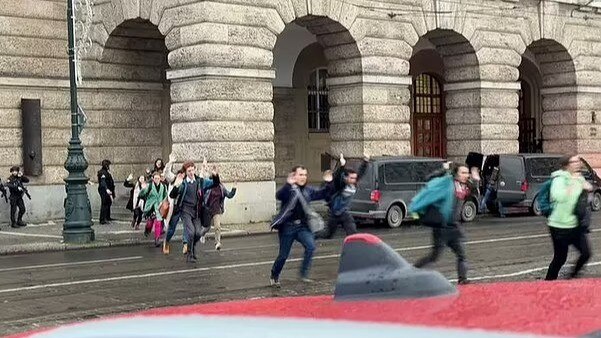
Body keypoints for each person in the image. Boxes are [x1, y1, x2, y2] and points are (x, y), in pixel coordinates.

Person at [409, 163, 476, 285]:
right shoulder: (446, 182)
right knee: (434, 257)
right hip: (442, 228)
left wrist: (475, 180)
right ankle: (411, 271)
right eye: (463, 172)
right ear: (456, 173)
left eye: (467, 173)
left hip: (453, 227)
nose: (466, 175)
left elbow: (472, 191)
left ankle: (463, 279)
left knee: (461, 254)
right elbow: (429, 180)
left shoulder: (464, 186)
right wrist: (442, 170)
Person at [269, 165, 329, 287]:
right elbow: (279, 196)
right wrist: (287, 185)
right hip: (288, 227)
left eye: (305, 175)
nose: (303, 177)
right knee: (283, 255)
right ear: (294, 176)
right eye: (300, 175)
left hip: (302, 227)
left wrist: (328, 183)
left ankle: (303, 275)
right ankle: (274, 275)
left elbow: (321, 194)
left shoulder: (308, 190)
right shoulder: (289, 190)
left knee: (311, 246)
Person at [544, 155, 593, 280]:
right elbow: (558, 196)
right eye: (574, 161)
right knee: (560, 258)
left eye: (578, 161)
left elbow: (589, 188)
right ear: (567, 165)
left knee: (586, 253)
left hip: (575, 225)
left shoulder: (579, 177)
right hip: (559, 226)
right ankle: (548, 283)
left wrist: (585, 186)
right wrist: (573, 183)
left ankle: (571, 277)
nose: (578, 163)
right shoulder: (559, 179)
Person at [169, 161, 215, 263]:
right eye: (188, 171)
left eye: (192, 170)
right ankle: (190, 254)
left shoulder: (199, 181)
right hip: (185, 211)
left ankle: (192, 246)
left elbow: (213, 184)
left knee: (198, 233)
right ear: (185, 172)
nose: (191, 172)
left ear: (195, 169)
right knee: (190, 232)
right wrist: (176, 186)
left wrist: (215, 176)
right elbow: (172, 195)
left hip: (197, 212)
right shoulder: (183, 183)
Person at [319, 153, 368, 239]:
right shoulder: (341, 184)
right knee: (327, 235)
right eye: (351, 178)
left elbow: (361, 172)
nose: (353, 180)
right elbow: (338, 177)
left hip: (344, 213)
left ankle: (354, 249)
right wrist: (342, 166)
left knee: (353, 233)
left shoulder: (354, 182)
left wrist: (365, 161)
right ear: (346, 178)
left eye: (354, 178)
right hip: (334, 213)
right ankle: (312, 235)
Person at [204, 173, 237, 251]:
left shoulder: (221, 188)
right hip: (208, 209)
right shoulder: (208, 188)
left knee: (217, 227)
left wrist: (234, 187)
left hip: (217, 210)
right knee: (206, 228)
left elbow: (229, 195)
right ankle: (202, 235)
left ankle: (217, 242)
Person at [139, 171, 168, 247]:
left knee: (158, 223)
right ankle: (147, 229)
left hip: (158, 207)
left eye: (158, 178)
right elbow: (143, 194)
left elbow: (165, 196)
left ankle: (157, 239)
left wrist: (163, 203)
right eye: (155, 178)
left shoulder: (163, 186)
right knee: (150, 223)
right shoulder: (150, 186)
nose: (157, 180)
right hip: (151, 207)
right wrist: (143, 189)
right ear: (153, 178)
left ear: (160, 179)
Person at [97, 159, 115, 224]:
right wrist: (106, 189)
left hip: (108, 190)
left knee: (108, 203)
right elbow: (103, 182)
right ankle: (102, 219)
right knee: (104, 204)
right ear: (106, 165)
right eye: (109, 165)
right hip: (104, 190)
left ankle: (107, 217)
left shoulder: (106, 172)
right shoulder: (102, 172)